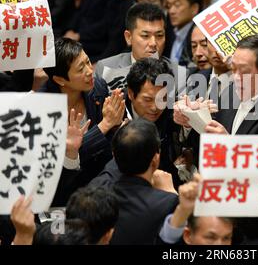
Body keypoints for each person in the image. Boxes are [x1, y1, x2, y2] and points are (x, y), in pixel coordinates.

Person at [174, 35, 258, 243]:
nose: (236, 78)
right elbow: (208, 139)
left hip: (251, 227)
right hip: (217, 209)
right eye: (234, 69)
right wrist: (191, 120)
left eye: (245, 71)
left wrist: (231, 147)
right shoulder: (232, 92)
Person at [40, 37, 125, 206]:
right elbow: (57, 167)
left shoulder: (98, 87)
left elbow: (107, 145)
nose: (89, 71)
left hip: (101, 184)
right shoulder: (42, 108)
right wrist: (105, 125)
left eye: (88, 62)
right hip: (62, 195)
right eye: (81, 69)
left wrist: (117, 126)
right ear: (60, 80)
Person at [90, 58, 182, 189]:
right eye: (148, 99)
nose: (155, 107)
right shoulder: (112, 111)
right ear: (132, 94)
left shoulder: (173, 109)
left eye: (162, 99)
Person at [109, 118, 199, 244]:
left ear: (114, 155)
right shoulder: (168, 203)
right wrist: (172, 194)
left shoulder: (98, 195)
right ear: (156, 158)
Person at [94, 2, 187, 95]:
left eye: (159, 35)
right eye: (145, 36)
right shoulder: (106, 68)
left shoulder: (180, 74)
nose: (153, 43)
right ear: (128, 37)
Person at [166, 0, 202, 67]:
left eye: (177, 5)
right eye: (169, 6)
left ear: (194, 8)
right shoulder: (168, 30)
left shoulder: (200, 36)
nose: (171, 11)